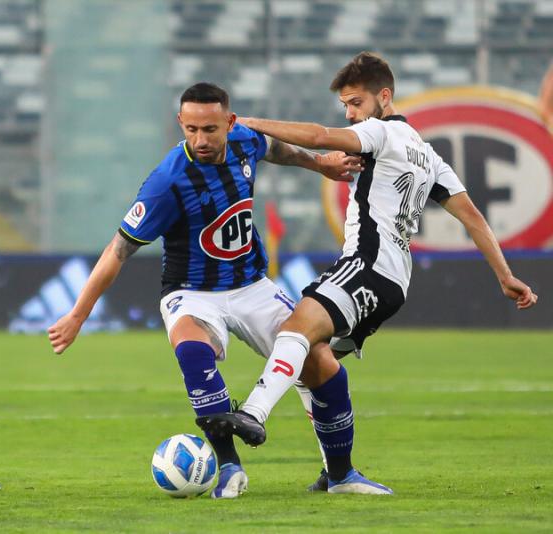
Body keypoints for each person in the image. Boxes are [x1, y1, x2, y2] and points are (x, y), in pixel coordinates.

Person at [198, 52, 538, 494]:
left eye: (356, 103)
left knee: (296, 327)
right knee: (313, 364)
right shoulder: (427, 154)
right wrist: (505, 275)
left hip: (367, 264)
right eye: (345, 105)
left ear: (384, 96)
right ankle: (338, 472)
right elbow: (472, 216)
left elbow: (320, 137)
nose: (350, 114)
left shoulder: (381, 132)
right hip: (395, 282)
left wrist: (246, 123)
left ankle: (253, 413)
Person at [47, 82, 363, 498]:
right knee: (193, 352)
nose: (201, 140)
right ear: (181, 122)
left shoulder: (244, 140)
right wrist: (78, 315)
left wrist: (319, 163)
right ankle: (229, 466)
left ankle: (341, 475)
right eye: (192, 129)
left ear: (229, 123)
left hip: (251, 285)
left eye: (210, 129)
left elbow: (275, 149)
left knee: (321, 361)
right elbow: (117, 250)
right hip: (190, 291)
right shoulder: (168, 181)